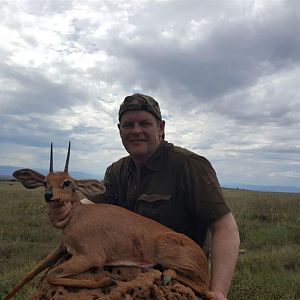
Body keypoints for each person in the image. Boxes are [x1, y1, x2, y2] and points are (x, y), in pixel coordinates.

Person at [48, 93, 240, 300]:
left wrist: (218, 291)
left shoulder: (188, 165)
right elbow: (85, 205)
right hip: (131, 268)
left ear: (161, 128)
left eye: (144, 123)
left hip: (176, 274)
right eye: (128, 125)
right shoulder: (118, 170)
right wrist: (63, 210)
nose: (136, 131)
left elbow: (225, 227)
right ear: (119, 130)